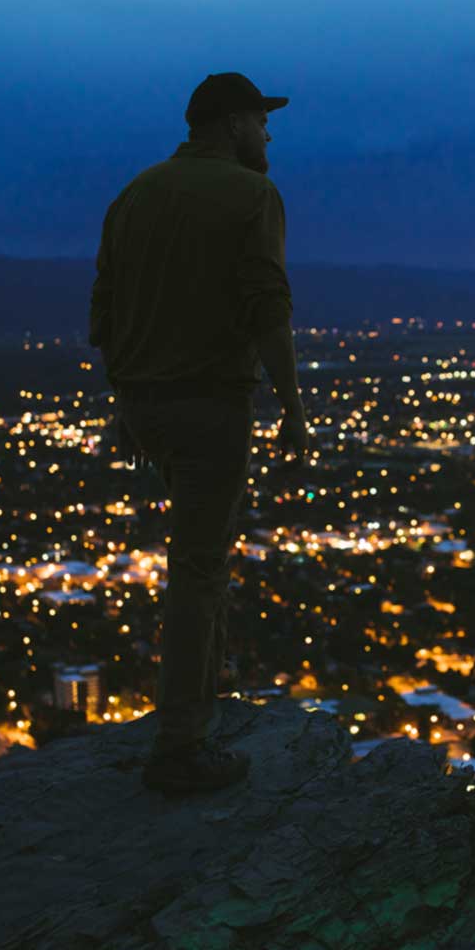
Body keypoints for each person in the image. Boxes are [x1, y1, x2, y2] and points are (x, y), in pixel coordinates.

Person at [89, 71, 311, 795]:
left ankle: (199, 719)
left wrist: (127, 402)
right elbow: (267, 310)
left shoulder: (134, 195)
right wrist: (294, 407)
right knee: (198, 570)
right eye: (261, 121)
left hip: (146, 402)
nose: (269, 135)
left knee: (197, 563)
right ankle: (182, 745)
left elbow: (106, 313)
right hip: (210, 403)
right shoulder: (253, 196)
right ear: (233, 124)